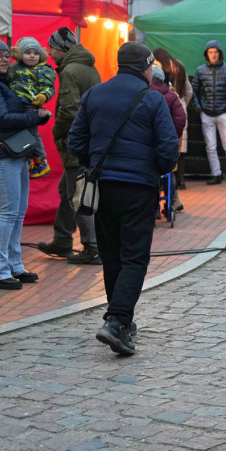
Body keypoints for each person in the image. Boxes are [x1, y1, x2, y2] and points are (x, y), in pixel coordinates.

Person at [68, 42, 179, 356]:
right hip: (138, 187)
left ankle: (122, 322)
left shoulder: (95, 94)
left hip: (102, 186)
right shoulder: (152, 99)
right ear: (145, 67)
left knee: (112, 256)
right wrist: (152, 169)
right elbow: (169, 151)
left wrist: (98, 160)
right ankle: (116, 321)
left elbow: (75, 141)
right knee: (134, 257)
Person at [0, 37, 52, 290]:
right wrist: (35, 116)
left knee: (18, 211)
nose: (5, 59)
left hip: (15, 151)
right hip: (2, 152)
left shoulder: (1, 80)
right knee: (8, 212)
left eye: (7, 54)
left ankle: (14, 264)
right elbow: (3, 118)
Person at [37, 27, 102, 265]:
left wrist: (57, 132)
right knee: (68, 192)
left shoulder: (69, 71)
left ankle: (92, 247)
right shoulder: (89, 67)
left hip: (76, 142)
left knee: (78, 195)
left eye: (51, 47)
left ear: (61, 49)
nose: (49, 52)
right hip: (89, 139)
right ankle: (63, 240)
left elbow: (68, 109)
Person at [191, 40, 226, 186]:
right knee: (211, 147)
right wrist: (200, 111)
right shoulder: (200, 71)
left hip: (222, 113)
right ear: (207, 54)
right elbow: (194, 93)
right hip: (207, 113)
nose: (213, 55)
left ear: (220, 53)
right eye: (211, 52)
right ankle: (216, 173)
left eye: (215, 52)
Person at [9, 37, 55, 179]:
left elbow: (48, 87)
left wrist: (42, 96)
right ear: (20, 54)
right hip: (15, 105)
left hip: (31, 105)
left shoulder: (42, 69)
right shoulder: (14, 67)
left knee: (32, 133)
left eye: (35, 53)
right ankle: (27, 158)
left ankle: (41, 160)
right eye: (28, 52)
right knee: (18, 132)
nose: (32, 56)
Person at [153, 48, 193, 191]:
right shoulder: (179, 65)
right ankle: (180, 180)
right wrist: (183, 103)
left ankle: (164, 183)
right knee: (181, 146)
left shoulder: (156, 66)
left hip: (164, 106)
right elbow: (189, 90)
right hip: (180, 105)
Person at [149, 64, 187, 213]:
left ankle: (155, 207)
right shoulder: (171, 95)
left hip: (148, 143)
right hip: (166, 142)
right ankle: (170, 203)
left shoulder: (143, 93)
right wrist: (173, 136)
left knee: (152, 171)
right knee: (168, 171)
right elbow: (180, 118)